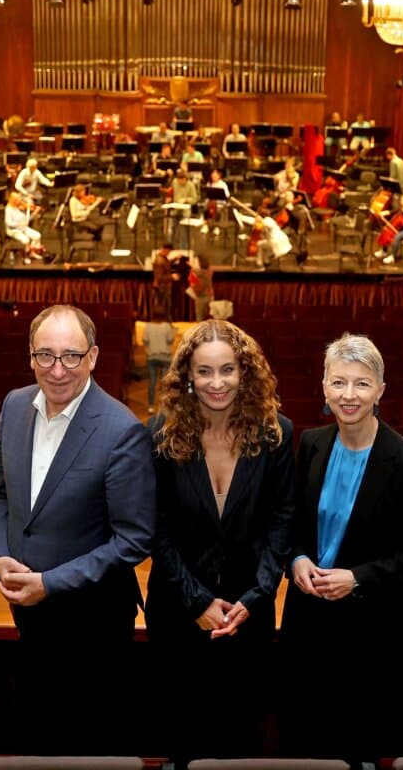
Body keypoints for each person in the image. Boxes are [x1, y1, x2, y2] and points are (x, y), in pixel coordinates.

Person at [0, 305, 155, 752]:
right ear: (30, 356)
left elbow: (134, 539)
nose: (57, 370)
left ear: (93, 356)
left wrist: (50, 583)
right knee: (40, 736)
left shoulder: (121, 429)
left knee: (91, 743)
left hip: (93, 624)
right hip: (29, 615)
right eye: (45, 355)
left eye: (71, 356)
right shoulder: (15, 404)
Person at [280, 334, 403, 762]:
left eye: (362, 384)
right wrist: (295, 559)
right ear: (324, 387)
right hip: (308, 619)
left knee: (358, 741)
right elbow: (292, 525)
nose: (349, 395)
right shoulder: (312, 444)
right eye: (339, 382)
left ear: (380, 391)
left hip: (368, 628)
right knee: (305, 736)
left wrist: (358, 578)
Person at [146, 319, 294, 761]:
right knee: (181, 736)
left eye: (227, 370)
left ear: (244, 372)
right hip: (178, 613)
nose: (217, 383)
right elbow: (158, 530)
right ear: (187, 376)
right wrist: (198, 603)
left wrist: (255, 595)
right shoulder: (159, 434)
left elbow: (283, 523)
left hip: (249, 614)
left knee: (242, 737)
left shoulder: (275, 434)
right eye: (205, 371)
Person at [142, 308, 175, 415]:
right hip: (165, 357)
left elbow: (145, 340)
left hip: (152, 357)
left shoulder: (147, 326)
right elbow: (170, 340)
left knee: (152, 382)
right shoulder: (167, 326)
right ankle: (164, 406)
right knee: (165, 383)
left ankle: (151, 406)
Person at [188, 254, 214, 322]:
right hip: (210, 295)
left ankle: (200, 331)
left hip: (201, 295)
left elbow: (195, 277)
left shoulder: (196, 272)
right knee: (209, 316)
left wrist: (192, 266)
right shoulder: (209, 270)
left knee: (199, 317)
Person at [152, 242, 176, 315]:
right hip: (162, 287)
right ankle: (165, 324)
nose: (169, 254)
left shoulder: (162, 258)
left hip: (164, 287)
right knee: (164, 307)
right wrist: (172, 276)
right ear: (165, 250)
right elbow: (159, 277)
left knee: (166, 306)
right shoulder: (159, 261)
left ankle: (166, 324)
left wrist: (174, 259)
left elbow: (166, 264)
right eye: (169, 252)